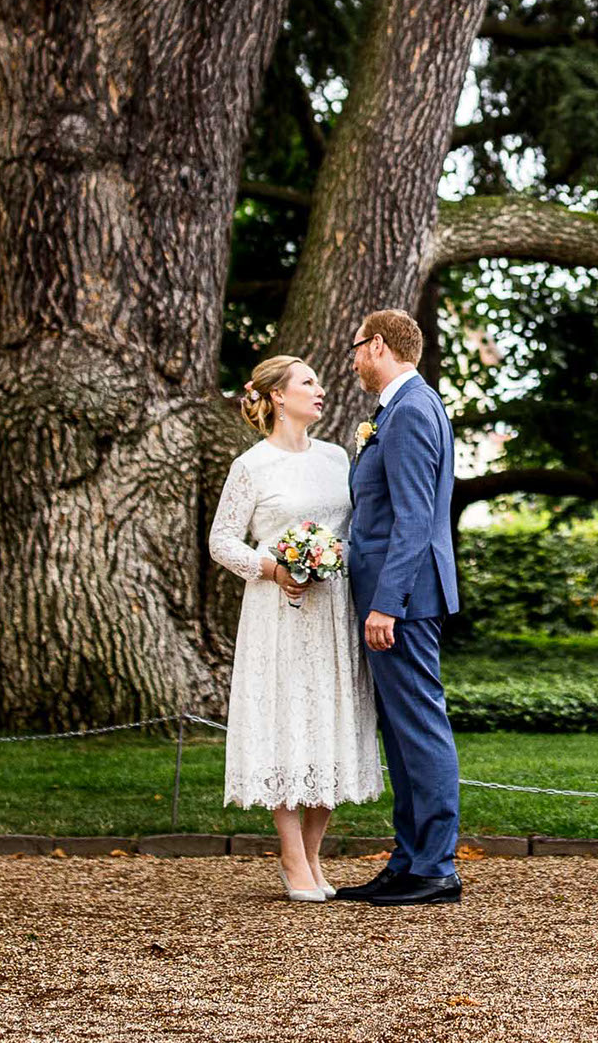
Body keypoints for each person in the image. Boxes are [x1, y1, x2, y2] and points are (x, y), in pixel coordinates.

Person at [208, 354, 381, 903]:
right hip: (278, 612)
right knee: (287, 721)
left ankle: (312, 853)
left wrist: (331, 559)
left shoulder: (336, 458)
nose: (321, 389)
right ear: (278, 396)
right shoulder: (251, 466)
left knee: (330, 719)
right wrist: (276, 568)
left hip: (334, 608)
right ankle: (289, 854)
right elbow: (222, 541)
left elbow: (355, 526)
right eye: (308, 382)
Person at [329, 308, 465, 907]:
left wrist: (387, 604)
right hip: (399, 595)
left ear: (378, 345)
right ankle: (409, 860)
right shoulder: (411, 407)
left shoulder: (409, 412)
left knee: (419, 726)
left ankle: (434, 866)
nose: (354, 360)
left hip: (402, 600)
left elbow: (413, 520)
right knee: (402, 730)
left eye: (357, 348)